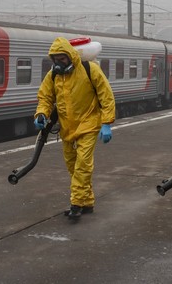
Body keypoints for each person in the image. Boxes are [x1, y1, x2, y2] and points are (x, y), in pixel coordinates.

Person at [34, 37, 116, 219]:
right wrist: (41, 114)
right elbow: (45, 97)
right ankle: (87, 203)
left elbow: (106, 96)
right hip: (67, 128)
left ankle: (76, 204)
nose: (59, 63)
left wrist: (106, 123)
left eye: (62, 59)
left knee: (82, 166)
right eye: (55, 60)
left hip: (89, 124)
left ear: (71, 56)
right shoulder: (53, 75)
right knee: (73, 167)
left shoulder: (90, 69)